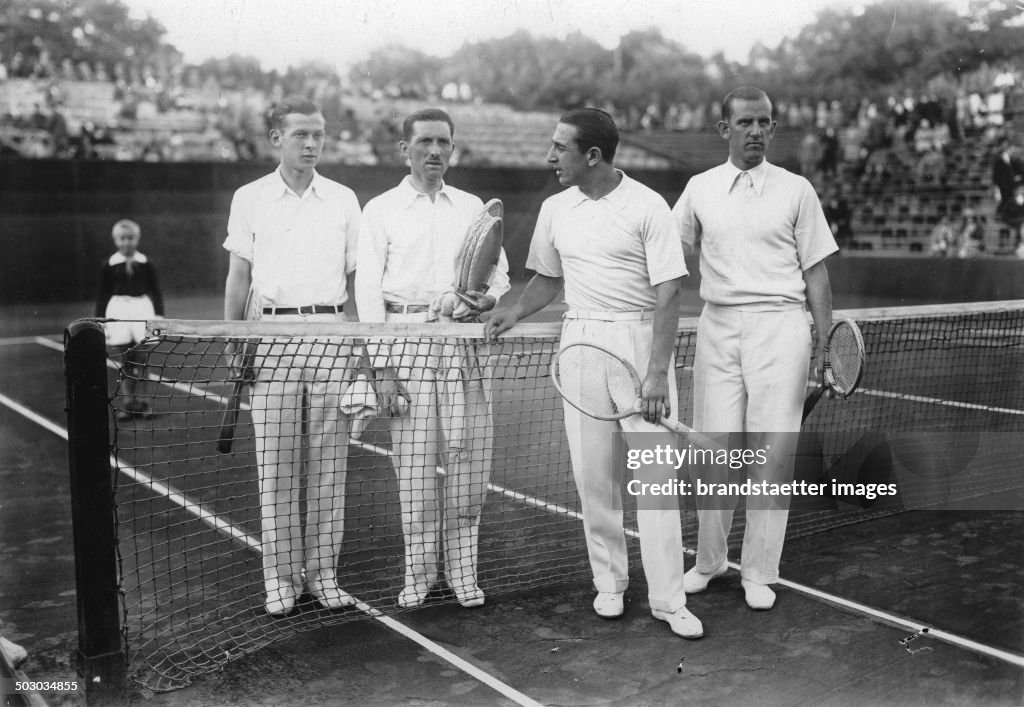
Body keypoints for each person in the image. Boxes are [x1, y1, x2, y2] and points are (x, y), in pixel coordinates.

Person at [485, 107, 703, 639]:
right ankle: (609, 583)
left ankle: (669, 601)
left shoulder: (649, 206)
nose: (550, 156)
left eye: (560, 148)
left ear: (593, 156)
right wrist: (514, 310)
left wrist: (656, 375)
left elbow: (668, 293)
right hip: (580, 341)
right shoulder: (555, 208)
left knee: (656, 480)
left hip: (638, 344)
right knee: (592, 477)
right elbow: (546, 279)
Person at [671, 86, 837, 611]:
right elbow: (671, 258)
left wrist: (825, 345)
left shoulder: (796, 189)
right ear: (724, 130)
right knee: (711, 448)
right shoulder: (699, 188)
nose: (756, 132)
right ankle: (709, 561)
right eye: (745, 122)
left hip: (781, 328)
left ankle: (761, 570)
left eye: (764, 122)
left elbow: (816, 271)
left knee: (772, 453)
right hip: (716, 325)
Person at [355, 108, 511, 609]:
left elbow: (500, 277)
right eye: (424, 142)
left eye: (443, 142)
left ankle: (463, 572)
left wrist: (480, 301)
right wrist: (380, 365)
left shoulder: (472, 208)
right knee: (416, 470)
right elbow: (367, 292)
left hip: (463, 344)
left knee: (469, 463)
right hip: (404, 347)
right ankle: (419, 575)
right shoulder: (379, 210)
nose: (435, 151)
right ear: (405, 149)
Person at [223, 95, 362, 617]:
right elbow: (239, 276)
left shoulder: (345, 198)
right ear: (277, 138)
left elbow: (357, 280)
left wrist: (358, 348)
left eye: (319, 135)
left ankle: (324, 575)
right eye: (301, 134)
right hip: (271, 335)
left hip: (331, 333)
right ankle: (281, 580)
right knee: (276, 464)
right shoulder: (249, 197)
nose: (311, 143)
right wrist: (235, 340)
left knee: (329, 463)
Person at [94, 219, 164, 421]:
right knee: (125, 361)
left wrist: (158, 316)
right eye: (122, 238)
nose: (127, 242)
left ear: (137, 239)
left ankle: (145, 403)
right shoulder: (109, 264)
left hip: (142, 310)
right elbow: (102, 294)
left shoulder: (146, 263)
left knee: (142, 360)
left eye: (131, 238)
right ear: (116, 240)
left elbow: (156, 291)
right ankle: (128, 404)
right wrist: (102, 320)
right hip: (118, 312)